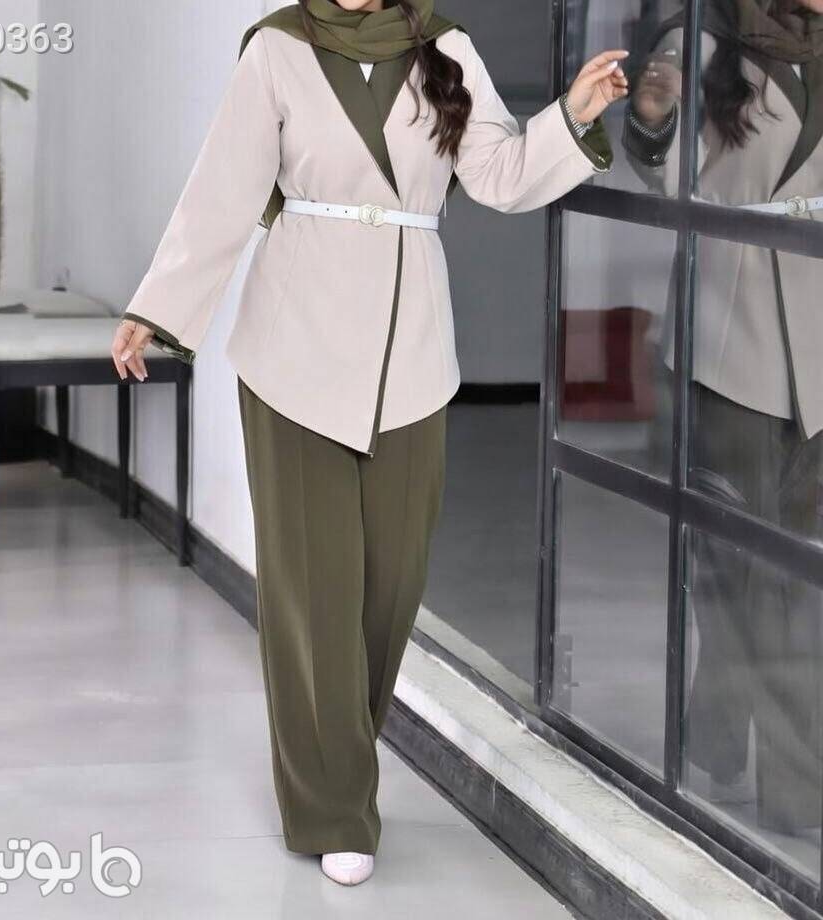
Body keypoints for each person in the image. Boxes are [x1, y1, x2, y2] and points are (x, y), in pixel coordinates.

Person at [110, 0, 628, 886]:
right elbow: (222, 191)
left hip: (412, 360)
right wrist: (156, 310)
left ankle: (336, 759)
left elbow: (499, 174)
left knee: (390, 587)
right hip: (294, 355)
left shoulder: (445, 48)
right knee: (316, 591)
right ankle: (335, 804)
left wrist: (571, 116)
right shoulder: (277, 50)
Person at [624, 0, 823, 834]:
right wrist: (652, 119)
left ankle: (711, 727)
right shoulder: (705, 36)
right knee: (748, 571)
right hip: (731, 339)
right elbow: (669, 174)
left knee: (795, 576)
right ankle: (799, 795)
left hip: (818, 344)